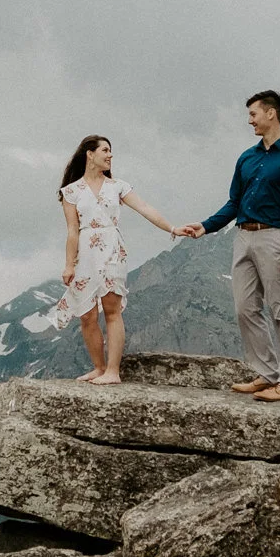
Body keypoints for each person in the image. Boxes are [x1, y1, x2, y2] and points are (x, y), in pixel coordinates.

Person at [176, 89, 280, 402]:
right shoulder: (247, 158)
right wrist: (206, 226)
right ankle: (267, 375)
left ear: (270, 113)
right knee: (244, 308)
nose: (249, 120)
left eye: (253, 114)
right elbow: (234, 202)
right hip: (243, 236)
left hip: (274, 238)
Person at [50, 134, 183, 383]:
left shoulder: (118, 186)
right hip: (86, 253)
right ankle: (99, 368)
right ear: (90, 154)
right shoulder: (71, 192)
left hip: (112, 248)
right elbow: (72, 231)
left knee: (111, 310)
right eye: (105, 150)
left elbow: (145, 208)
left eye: (111, 151)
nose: (110, 155)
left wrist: (172, 228)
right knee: (87, 315)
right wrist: (69, 264)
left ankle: (113, 371)